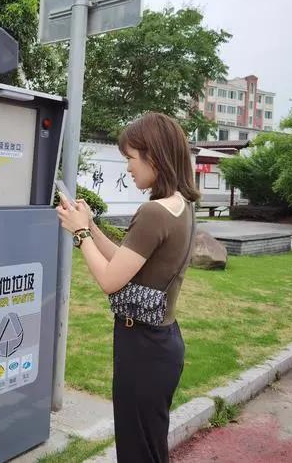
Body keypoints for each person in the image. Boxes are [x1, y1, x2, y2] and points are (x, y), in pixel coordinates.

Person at [56, 112, 199, 463]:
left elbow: (110, 280)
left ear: (154, 156)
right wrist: (92, 226)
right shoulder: (181, 206)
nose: (128, 168)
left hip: (143, 349)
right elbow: (125, 261)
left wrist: (79, 233)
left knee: (138, 452)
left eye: (131, 158)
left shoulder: (154, 212)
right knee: (148, 447)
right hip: (162, 343)